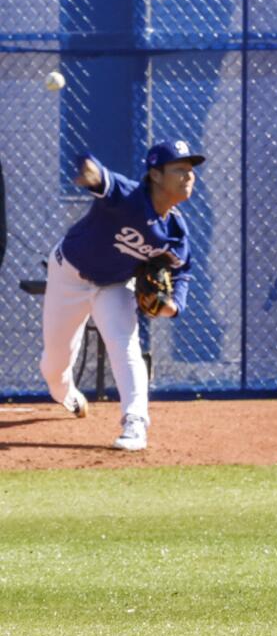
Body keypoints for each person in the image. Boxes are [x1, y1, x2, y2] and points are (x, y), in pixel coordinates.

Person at [40, 140, 203, 451]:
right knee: (54, 365)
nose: (189, 176)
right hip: (69, 276)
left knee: (124, 344)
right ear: (155, 175)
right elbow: (97, 173)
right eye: (179, 169)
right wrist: (89, 168)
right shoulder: (128, 196)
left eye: (191, 171)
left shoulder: (176, 232)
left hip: (114, 285)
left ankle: (135, 422)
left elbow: (182, 271)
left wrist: (173, 307)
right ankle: (66, 393)